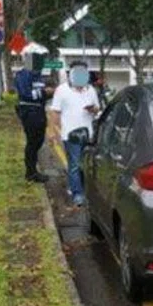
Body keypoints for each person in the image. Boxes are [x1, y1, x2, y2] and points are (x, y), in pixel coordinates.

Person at [48, 61, 100, 207]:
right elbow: (55, 112)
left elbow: (97, 108)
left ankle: (79, 188)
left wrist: (93, 109)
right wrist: (52, 132)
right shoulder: (62, 90)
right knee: (75, 165)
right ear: (70, 74)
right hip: (70, 135)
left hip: (88, 134)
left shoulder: (91, 90)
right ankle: (77, 193)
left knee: (87, 164)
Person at [14, 51, 52, 183]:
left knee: (39, 141)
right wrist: (43, 92)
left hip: (39, 111)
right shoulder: (23, 75)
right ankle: (30, 172)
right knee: (32, 142)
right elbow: (25, 94)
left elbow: (41, 94)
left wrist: (50, 93)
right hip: (29, 112)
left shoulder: (38, 76)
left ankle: (33, 170)